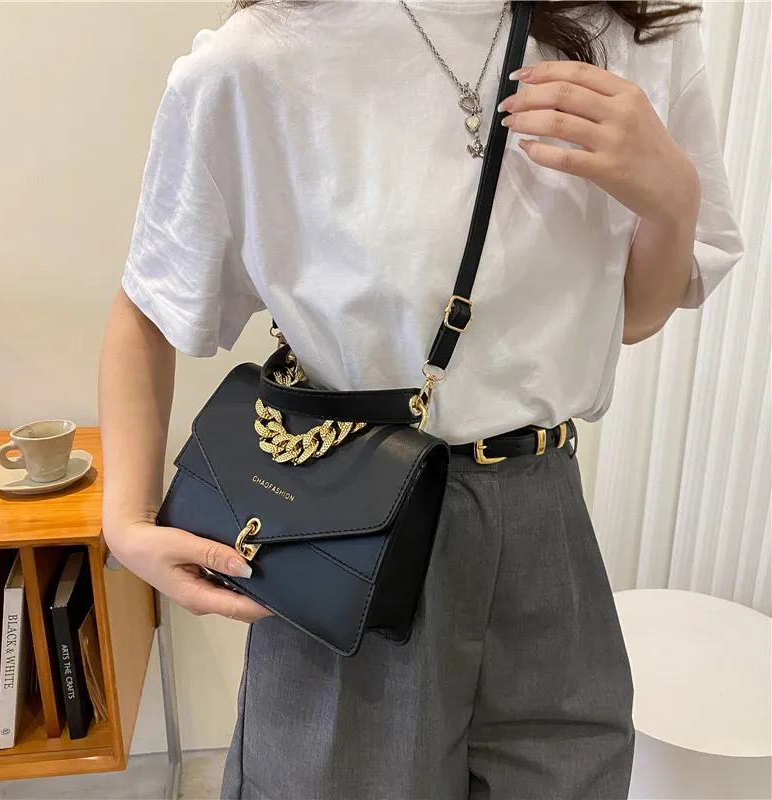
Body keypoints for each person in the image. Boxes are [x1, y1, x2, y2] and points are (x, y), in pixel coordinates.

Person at [98, 1, 744, 797]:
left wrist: (672, 199)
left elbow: (631, 317)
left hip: (545, 523)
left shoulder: (637, 30)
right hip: (352, 531)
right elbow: (150, 304)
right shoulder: (263, 59)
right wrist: (125, 521)